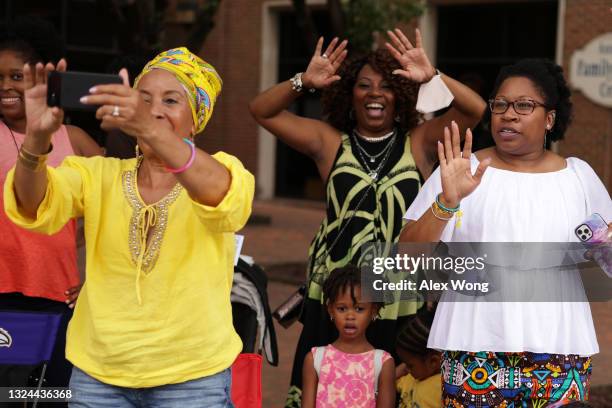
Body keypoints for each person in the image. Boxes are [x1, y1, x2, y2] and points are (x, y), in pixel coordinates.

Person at [3, 47, 254, 407]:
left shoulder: (222, 170)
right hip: (98, 377)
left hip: (192, 379)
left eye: (171, 101)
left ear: (196, 118)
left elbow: (222, 196)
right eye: (144, 99)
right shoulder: (96, 174)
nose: (154, 110)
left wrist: (149, 127)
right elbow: (31, 204)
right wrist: (37, 138)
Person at [250, 28, 485, 405]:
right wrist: (303, 82)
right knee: (326, 385)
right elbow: (261, 110)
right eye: (364, 85)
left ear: (400, 96)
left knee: (391, 389)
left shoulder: (420, 142)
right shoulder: (328, 143)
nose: (375, 93)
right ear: (350, 95)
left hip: (400, 292)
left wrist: (433, 76)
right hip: (336, 291)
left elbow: (474, 110)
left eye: (387, 86)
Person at [401, 59, 612, 406]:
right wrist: (446, 202)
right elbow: (407, 257)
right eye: (500, 104)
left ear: (550, 118)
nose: (508, 114)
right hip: (474, 354)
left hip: (560, 355)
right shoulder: (459, 170)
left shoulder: (579, 178)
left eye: (524, 105)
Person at [0, 17, 100, 398]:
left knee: (53, 394)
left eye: (16, 76)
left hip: (56, 293)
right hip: (3, 292)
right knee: (7, 395)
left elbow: (115, 206)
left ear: (41, 82)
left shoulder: (73, 139)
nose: (6, 86)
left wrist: (95, 275)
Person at [301, 265, 395, 408]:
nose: (350, 316)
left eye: (359, 309)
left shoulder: (382, 363)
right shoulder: (315, 359)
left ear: (373, 311)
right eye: (342, 308)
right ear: (330, 310)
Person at [394, 307, 441, 408]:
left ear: (433, 361)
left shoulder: (443, 388)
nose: (406, 369)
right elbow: (387, 381)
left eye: (410, 365)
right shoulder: (411, 378)